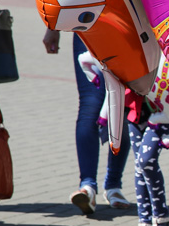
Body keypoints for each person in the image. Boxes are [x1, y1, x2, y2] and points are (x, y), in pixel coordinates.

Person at [43, 29, 131, 215]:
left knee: (121, 106)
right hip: (87, 29)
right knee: (90, 107)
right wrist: (52, 27)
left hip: (127, 29)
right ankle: (87, 186)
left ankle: (113, 185)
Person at [125, 94, 169, 226]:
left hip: (166, 107)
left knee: (146, 161)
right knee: (139, 164)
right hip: (135, 105)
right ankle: (145, 224)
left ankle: (161, 222)